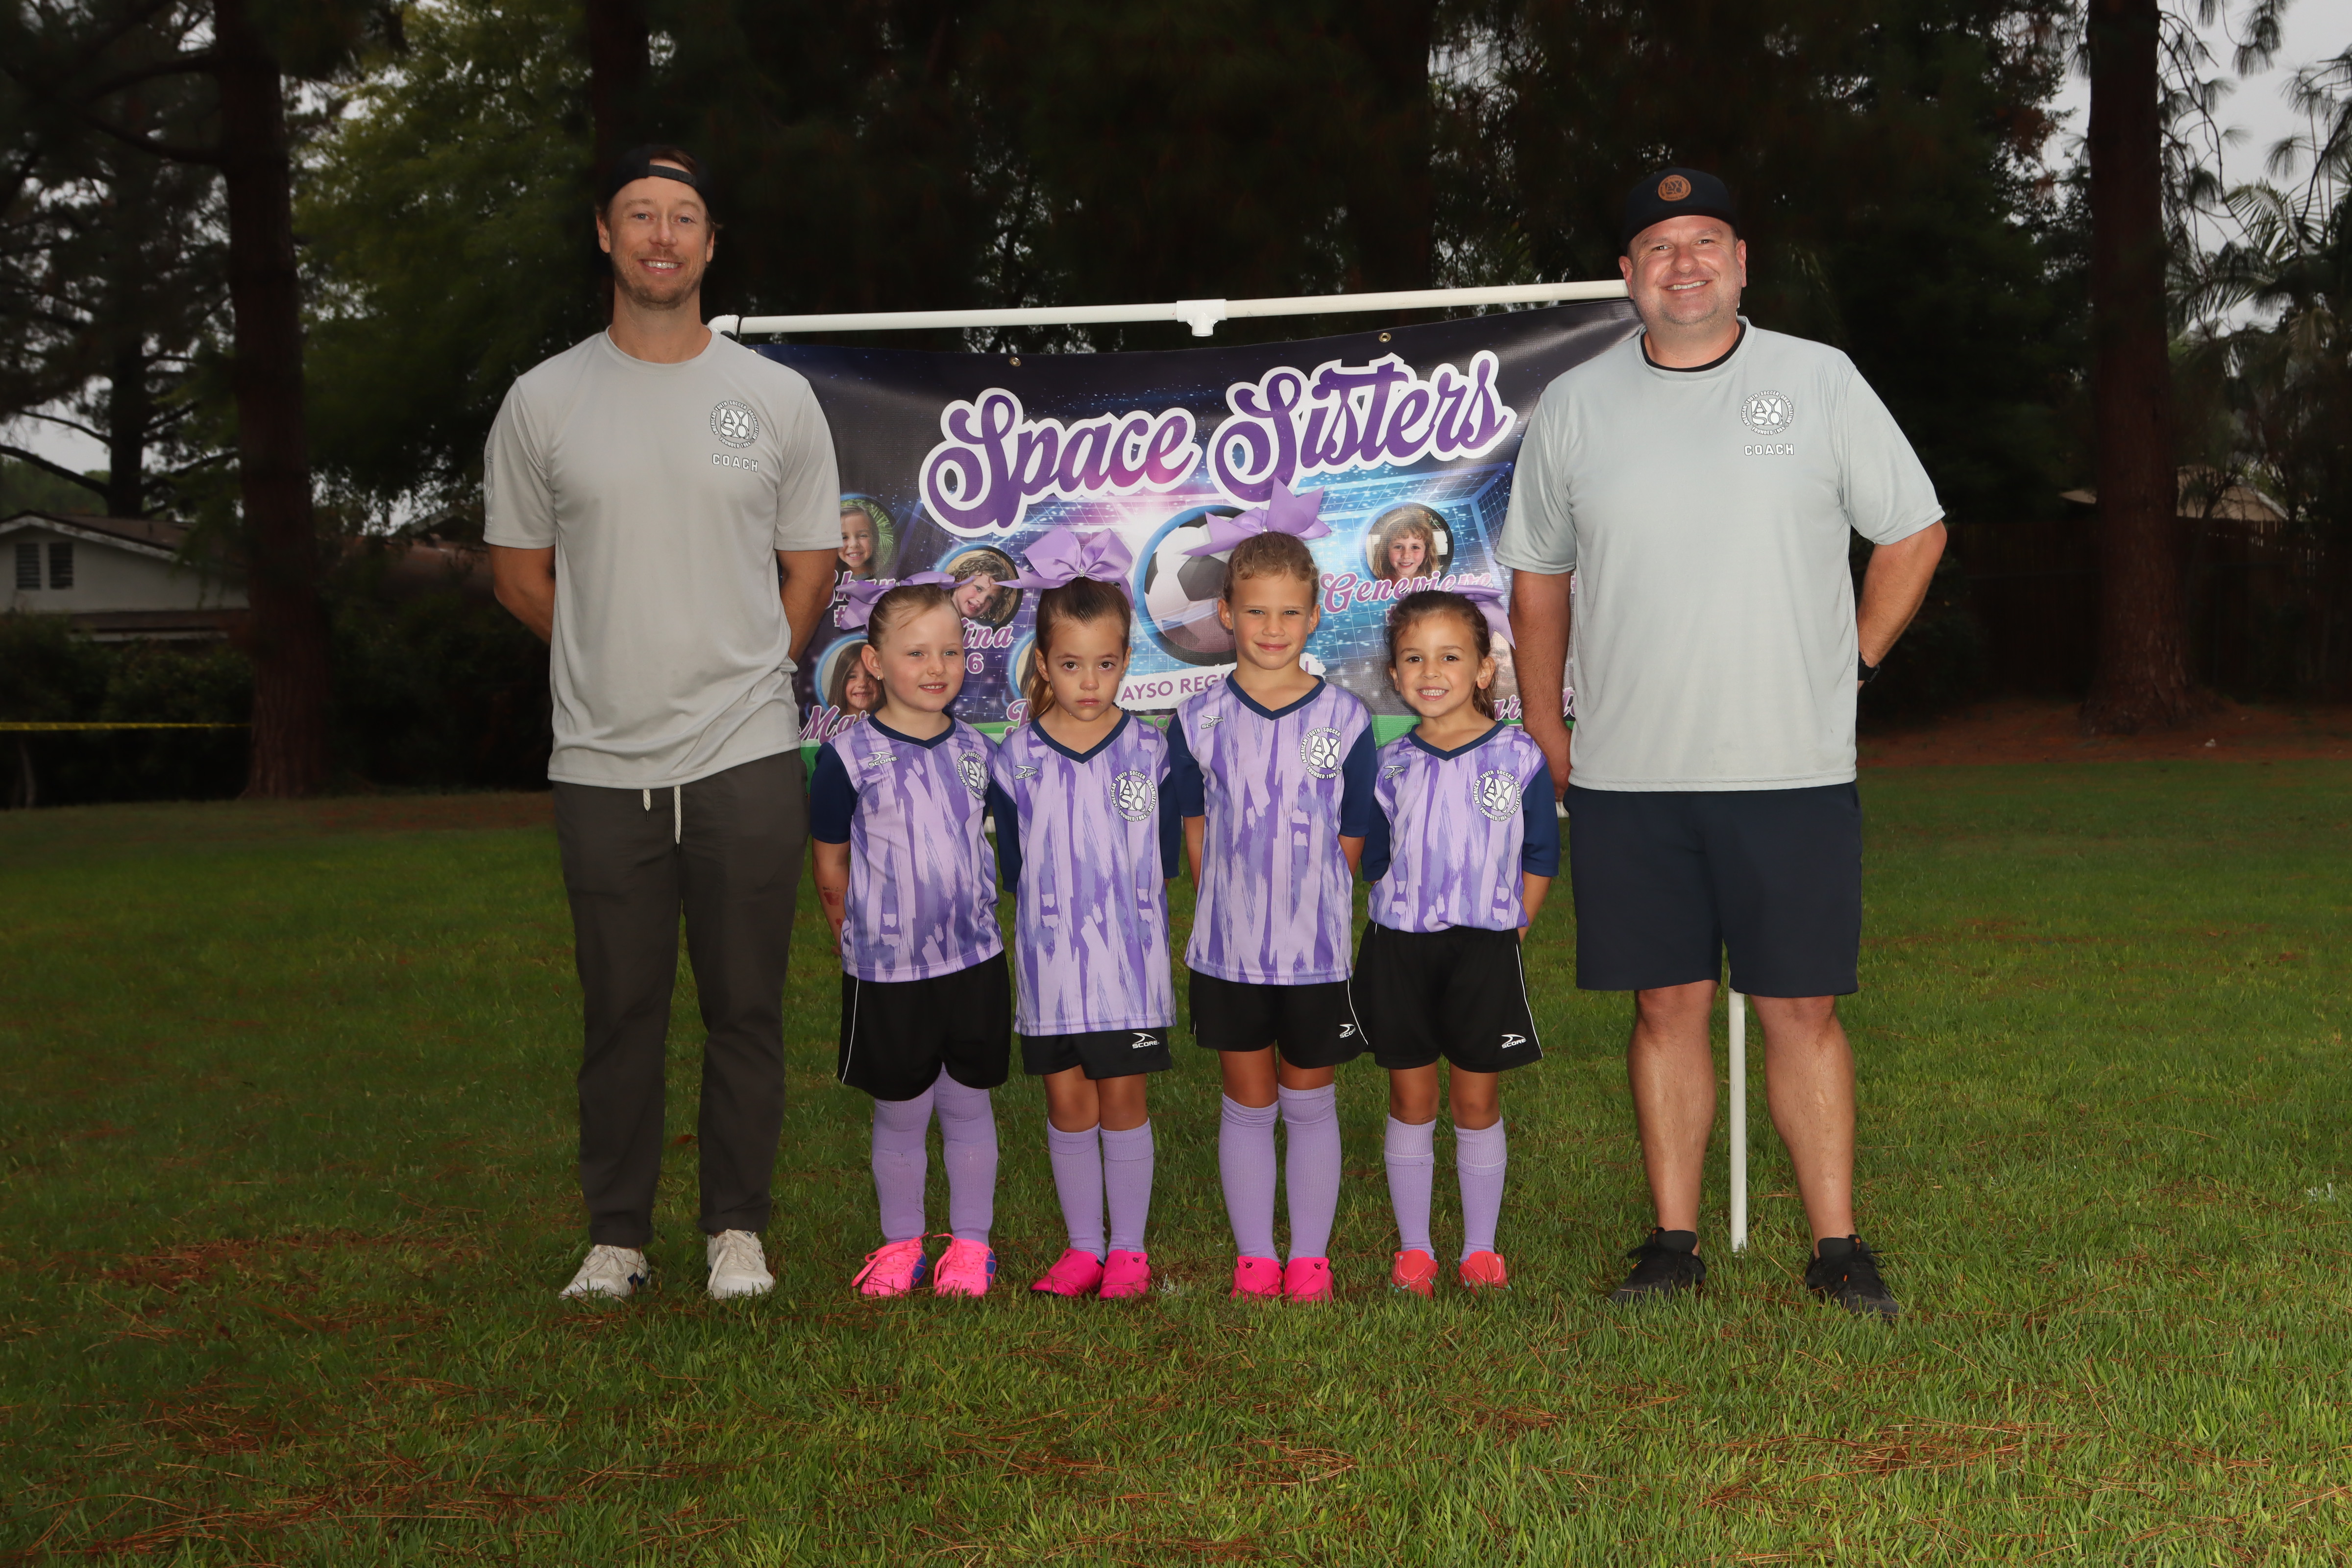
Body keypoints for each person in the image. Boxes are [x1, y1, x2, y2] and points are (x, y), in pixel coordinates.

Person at [1498, 167, 1946, 1319]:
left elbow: (1914, 531)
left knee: (1801, 1010)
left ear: (1743, 262)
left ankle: (1838, 1248)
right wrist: (1545, 720)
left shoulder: (1818, 379)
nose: (1683, 263)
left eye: (1705, 241)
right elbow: (1538, 577)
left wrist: (1853, 662)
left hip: (1789, 768)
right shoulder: (1576, 406)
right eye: (1658, 246)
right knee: (1665, 1007)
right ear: (1627, 276)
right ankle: (1673, 1244)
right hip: (1631, 772)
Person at [485, 144, 842, 1303]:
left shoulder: (775, 399)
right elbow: (518, 575)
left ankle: (737, 1228)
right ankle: (617, 1236)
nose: (661, 237)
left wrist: (749, 671)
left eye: (683, 217)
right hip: (602, 762)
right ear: (605, 234)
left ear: (710, 244)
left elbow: (811, 568)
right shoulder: (544, 401)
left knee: (747, 1008)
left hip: (746, 754)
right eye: (639, 215)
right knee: (620, 1010)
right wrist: (608, 657)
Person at [1167, 486, 1377, 1303]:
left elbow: (1352, 833)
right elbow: (1195, 827)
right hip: (1229, 950)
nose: (1272, 627)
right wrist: (1229, 900)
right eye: (1255, 610)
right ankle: (1256, 1257)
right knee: (1248, 1103)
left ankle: (1311, 1259)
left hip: (1314, 951)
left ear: (1315, 616)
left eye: (1290, 611)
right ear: (1226, 613)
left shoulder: (1346, 719)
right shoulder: (1197, 719)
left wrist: (1312, 901)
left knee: (1310, 1101)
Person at [809, 580, 1014, 1299]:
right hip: (888, 971)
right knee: (901, 1112)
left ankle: (971, 1245)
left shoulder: (978, 751)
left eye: (951, 652)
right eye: (917, 652)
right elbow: (831, 862)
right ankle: (901, 1245)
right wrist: (850, 933)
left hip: (973, 960)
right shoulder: (847, 758)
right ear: (874, 661)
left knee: (967, 1105)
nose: (937, 667)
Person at [992, 528, 1180, 1300]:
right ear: (1043, 664)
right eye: (1071, 665)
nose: (1090, 681)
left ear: (1127, 661)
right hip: (1051, 969)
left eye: (1106, 663)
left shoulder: (1152, 752)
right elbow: (1013, 865)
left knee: (1123, 1103)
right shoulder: (1016, 757)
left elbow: (1164, 860)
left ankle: (1128, 1252)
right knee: (1068, 1104)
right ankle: (1082, 1250)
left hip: (1128, 971)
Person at [1354, 590, 1557, 1297]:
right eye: (1414, 658)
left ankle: (1479, 1250)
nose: (1431, 671)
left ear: (1482, 669)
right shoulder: (1389, 763)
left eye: (1449, 656)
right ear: (1394, 673)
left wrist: (1513, 929)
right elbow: (1374, 858)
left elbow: (1541, 853)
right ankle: (1415, 1251)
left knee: (1475, 1101)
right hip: (1400, 951)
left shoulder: (1518, 755)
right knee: (1411, 1099)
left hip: (1484, 951)